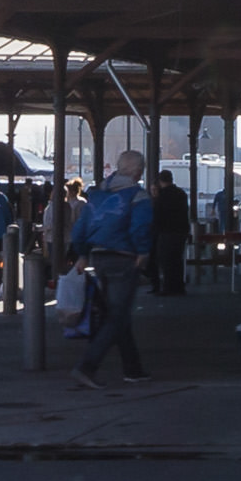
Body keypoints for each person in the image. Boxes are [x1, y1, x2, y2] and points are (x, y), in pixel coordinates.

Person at [69, 157, 152, 387]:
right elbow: (141, 226)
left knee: (118, 314)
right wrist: (143, 251)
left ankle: (133, 368)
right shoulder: (137, 195)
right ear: (137, 172)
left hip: (98, 256)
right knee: (116, 316)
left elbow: (80, 228)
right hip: (124, 257)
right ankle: (87, 366)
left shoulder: (96, 195)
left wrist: (82, 253)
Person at [148, 163, 194, 300]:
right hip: (180, 231)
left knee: (165, 260)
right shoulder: (181, 194)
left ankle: (168, 287)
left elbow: (157, 214)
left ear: (160, 181)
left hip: (166, 231)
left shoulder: (162, 196)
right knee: (177, 260)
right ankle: (178, 286)